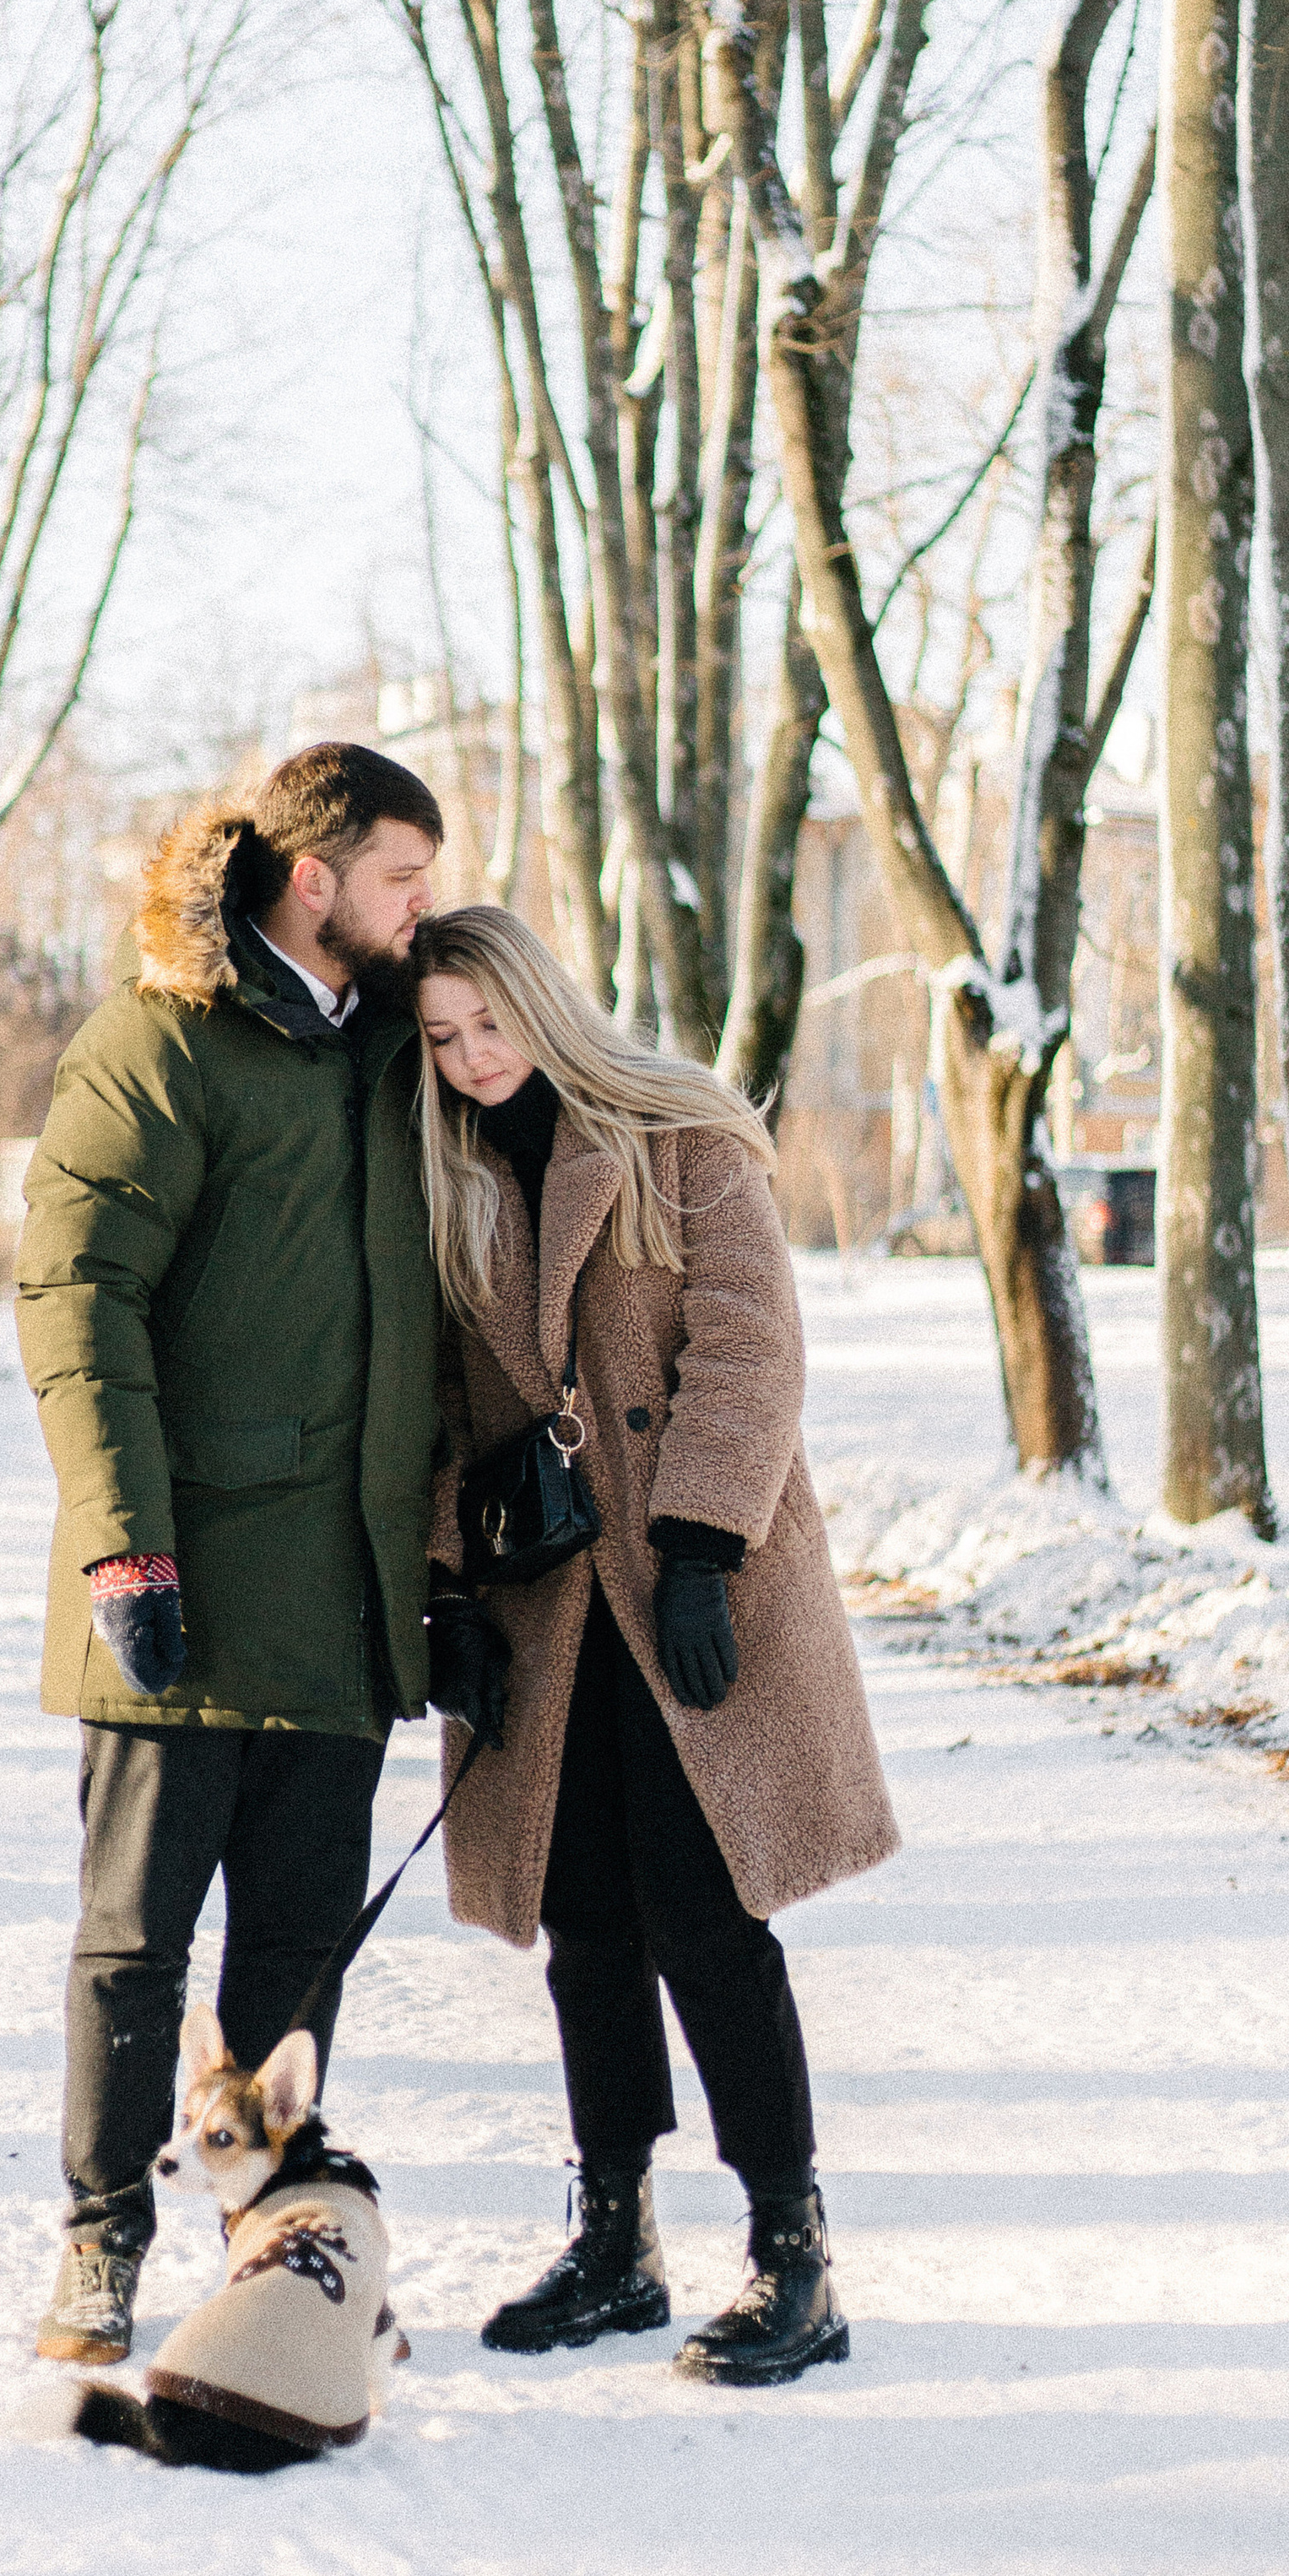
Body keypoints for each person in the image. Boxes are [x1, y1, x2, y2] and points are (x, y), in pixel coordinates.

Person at [17, 743, 492, 2363]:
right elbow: (80, 1305)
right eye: (401, 880)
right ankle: (98, 2248)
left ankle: (272, 2242)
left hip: (344, 1606)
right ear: (316, 878)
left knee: (297, 1964)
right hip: (184, 1587)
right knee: (136, 1952)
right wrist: (123, 1554)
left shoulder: (392, 1054)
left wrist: (444, 1577)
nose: (423, 910)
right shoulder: (160, 1044)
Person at [412, 904, 900, 2384]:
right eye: (441, 1038)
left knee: (708, 1916)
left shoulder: (675, 1131)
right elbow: (436, 1412)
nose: (473, 1058)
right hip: (544, 1604)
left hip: (697, 1583)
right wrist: (445, 1595)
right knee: (586, 1926)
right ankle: (616, 2237)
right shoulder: (443, 1183)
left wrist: (699, 1549)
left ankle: (792, 2253)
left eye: (491, 1023)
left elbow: (752, 1345)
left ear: (545, 1006)